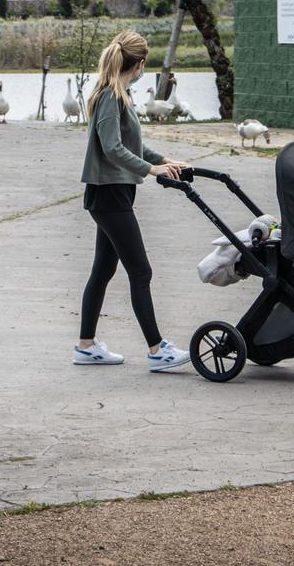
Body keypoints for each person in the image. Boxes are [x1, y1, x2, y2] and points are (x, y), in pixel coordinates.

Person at [74, 31, 192, 372]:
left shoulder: (118, 93)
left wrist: (166, 161)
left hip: (112, 192)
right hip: (109, 194)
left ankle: (86, 346)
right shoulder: (112, 96)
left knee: (103, 269)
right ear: (139, 64)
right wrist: (152, 170)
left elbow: (132, 144)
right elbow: (112, 147)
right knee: (140, 270)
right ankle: (158, 350)